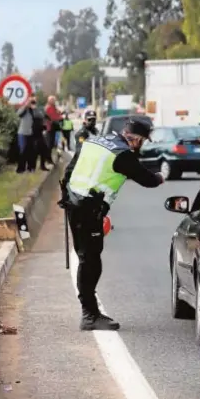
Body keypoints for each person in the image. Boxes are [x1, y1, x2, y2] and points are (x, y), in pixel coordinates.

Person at [58, 116, 165, 331]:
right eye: (142, 142)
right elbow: (147, 179)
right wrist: (161, 176)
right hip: (87, 210)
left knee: (87, 257)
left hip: (76, 204)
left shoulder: (94, 141)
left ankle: (91, 311)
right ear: (136, 140)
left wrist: (68, 199)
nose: (140, 147)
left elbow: (69, 170)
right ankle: (89, 315)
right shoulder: (122, 154)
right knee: (90, 261)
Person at [16, 94, 39, 173]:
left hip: (32, 133)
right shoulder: (24, 109)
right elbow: (19, 114)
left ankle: (31, 168)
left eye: (33, 101)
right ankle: (21, 169)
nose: (31, 103)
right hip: (23, 133)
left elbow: (40, 116)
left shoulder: (35, 110)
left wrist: (35, 108)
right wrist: (26, 106)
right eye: (30, 101)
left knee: (32, 151)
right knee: (23, 150)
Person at [45, 95, 63, 163]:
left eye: (54, 100)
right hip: (50, 128)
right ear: (49, 101)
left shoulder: (54, 107)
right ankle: (48, 159)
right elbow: (53, 117)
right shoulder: (49, 108)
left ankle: (49, 159)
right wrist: (60, 117)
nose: (54, 101)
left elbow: (58, 113)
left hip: (54, 128)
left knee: (52, 144)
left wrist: (59, 114)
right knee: (49, 144)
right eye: (52, 100)